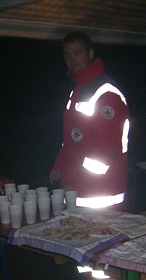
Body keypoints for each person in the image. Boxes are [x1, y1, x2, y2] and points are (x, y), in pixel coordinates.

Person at [49, 31, 129, 209]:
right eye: (67, 55)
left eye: (78, 52)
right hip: (77, 194)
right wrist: (59, 165)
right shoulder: (77, 90)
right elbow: (71, 138)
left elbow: (104, 152)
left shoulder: (106, 94)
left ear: (90, 54)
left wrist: (78, 184)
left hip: (100, 198)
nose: (72, 59)